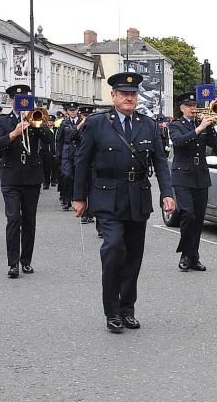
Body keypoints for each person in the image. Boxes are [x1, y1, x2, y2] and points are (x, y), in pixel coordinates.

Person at [73, 72, 175, 333]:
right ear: (113, 96)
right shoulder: (97, 123)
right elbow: (82, 162)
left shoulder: (148, 125)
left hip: (137, 196)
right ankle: (112, 312)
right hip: (107, 195)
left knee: (133, 256)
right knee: (114, 248)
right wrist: (78, 197)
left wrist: (167, 193)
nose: (129, 98)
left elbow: (160, 163)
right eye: (124, 94)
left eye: (132, 94)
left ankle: (127, 309)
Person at [0, 84, 52, 278]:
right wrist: (14, 133)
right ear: (11, 101)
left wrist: (39, 124)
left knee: (29, 220)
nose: (21, 103)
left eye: (24, 99)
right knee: (13, 218)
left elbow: (50, 140)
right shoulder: (3, 121)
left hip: (32, 176)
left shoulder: (35, 116)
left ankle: (26, 261)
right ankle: (13, 264)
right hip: (11, 176)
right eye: (17, 100)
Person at [168, 92, 217, 272]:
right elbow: (178, 142)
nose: (193, 108)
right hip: (182, 176)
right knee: (188, 214)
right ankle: (185, 254)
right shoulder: (175, 124)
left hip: (200, 175)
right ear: (182, 108)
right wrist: (199, 129)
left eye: (194, 105)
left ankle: (193, 256)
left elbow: (216, 146)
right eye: (189, 105)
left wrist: (210, 125)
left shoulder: (202, 124)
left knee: (198, 219)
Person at [55, 102, 80, 211]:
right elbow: (59, 140)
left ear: (77, 110)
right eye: (70, 110)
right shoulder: (64, 123)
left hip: (79, 152)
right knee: (66, 175)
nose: (72, 112)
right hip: (67, 153)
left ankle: (77, 199)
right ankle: (66, 200)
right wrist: (58, 155)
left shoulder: (82, 122)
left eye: (74, 110)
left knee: (77, 177)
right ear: (67, 112)